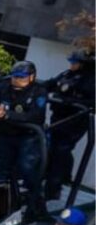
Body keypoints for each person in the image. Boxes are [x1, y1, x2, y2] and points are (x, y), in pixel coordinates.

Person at [0, 61, 49, 216]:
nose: (17, 79)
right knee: (3, 168)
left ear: (31, 77)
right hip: (6, 135)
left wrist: (7, 115)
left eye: (21, 77)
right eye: (15, 76)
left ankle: (37, 204)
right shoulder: (4, 86)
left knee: (27, 170)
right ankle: (1, 202)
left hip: (28, 137)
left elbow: (36, 115)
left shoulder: (38, 92)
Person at [44, 51, 95, 200]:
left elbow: (92, 102)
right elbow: (51, 84)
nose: (71, 65)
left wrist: (73, 102)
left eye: (75, 62)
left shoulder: (91, 80)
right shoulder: (67, 73)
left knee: (61, 151)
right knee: (53, 150)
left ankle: (53, 189)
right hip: (58, 118)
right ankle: (61, 178)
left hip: (75, 122)